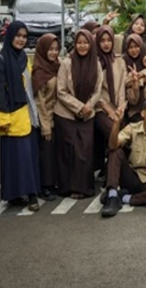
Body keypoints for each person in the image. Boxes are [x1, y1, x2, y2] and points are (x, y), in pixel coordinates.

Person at [0, 21, 42, 211]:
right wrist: (3, 119)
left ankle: (32, 194)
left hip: (28, 115)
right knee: (14, 159)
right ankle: (16, 195)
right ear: (10, 36)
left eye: (24, 36)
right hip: (11, 117)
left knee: (28, 158)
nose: (21, 39)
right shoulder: (0, 61)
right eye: (18, 35)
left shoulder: (23, 58)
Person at [54, 29, 103, 198]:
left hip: (88, 114)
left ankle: (83, 188)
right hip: (66, 113)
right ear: (74, 44)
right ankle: (66, 187)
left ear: (91, 44)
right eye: (79, 43)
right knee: (68, 152)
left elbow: (98, 90)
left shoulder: (96, 64)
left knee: (84, 152)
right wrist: (79, 107)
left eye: (86, 43)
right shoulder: (67, 63)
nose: (82, 46)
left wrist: (88, 106)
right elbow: (61, 91)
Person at [102, 99, 146, 217]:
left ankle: (124, 197)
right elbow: (112, 145)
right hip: (132, 175)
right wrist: (116, 123)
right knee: (115, 152)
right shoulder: (132, 128)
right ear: (143, 113)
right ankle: (112, 196)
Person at [93, 26, 127, 182]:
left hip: (118, 107)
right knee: (115, 137)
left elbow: (122, 87)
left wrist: (120, 109)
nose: (106, 44)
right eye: (102, 41)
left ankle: (111, 173)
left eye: (109, 40)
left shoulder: (119, 61)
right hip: (100, 108)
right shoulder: (95, 62)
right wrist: (109, 111)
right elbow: (96, 91)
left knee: (120, 141)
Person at [32, 33, 61, 201]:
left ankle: (52, 183)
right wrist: (46, 126)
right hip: (46, 118)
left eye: (56, 49)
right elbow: (40, 102)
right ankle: (45, 187)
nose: (54, 53)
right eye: (50, 49)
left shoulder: (57, 65)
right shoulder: (39, 71)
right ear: (43, 50)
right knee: (46, 154)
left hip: (57, 117)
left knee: (53, 154)